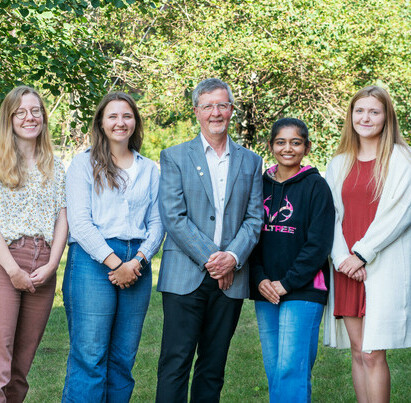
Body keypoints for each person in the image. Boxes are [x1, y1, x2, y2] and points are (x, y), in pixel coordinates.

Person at [155, 78, 264, 402]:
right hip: (185, 276)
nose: (216, 112)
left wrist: (231, 257)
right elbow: (174, 216)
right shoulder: (174, 156)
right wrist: (214, 259)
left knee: (213, 366)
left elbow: (254, 218)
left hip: (230, 280)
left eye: (222, 105)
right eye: (208, 106)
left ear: (231, 110)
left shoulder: (251, 160)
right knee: (175, 363)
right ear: (196, 112)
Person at [62, 92, 164, 402]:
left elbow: (158, 223)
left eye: (127, 116)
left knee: (123, 359)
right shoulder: (83, 164)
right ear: (101, 123)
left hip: (138, 264)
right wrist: (116, 264)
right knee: (90, 356)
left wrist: (138, 261)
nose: (121, 122)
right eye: (113, 116)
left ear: (135, 122)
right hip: (92, 262)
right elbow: (79, 223)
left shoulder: (149, 169)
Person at [323, 86, 411, 403]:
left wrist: (362, 254)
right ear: (351, 116)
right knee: (358, 352)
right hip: (346, 267)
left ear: (387, 116)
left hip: (380, 265)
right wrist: (343, 258)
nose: (366, 117)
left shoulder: (402, 159)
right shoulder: (339, 163)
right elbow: (329, 216)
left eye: (374, 111)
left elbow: (400, 214)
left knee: (374, 354)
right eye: (359, 111)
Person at [249, 118, 335, 402]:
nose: (288, 148)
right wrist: (259, 278)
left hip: (303, 289)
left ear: (307, 147)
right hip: (266, 291)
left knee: (291, 368)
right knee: (275, 369)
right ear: (271, 146)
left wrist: (288, 282)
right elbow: (251, 236)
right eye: (281, 142)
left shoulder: (316, 186)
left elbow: (318, 244)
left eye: (296, 142)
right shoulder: (259, 185)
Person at [0, 86, 67, 402]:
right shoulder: (0, 162)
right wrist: (12, 270)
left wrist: (53, 264)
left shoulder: (55, 165)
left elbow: (63, 218)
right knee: (0, 356)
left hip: (44, 266)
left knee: (21, 365)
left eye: (36, 110)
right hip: (6, 263)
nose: (30, 117)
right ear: (10, 118)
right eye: (21, 112)